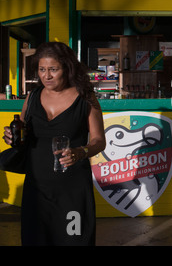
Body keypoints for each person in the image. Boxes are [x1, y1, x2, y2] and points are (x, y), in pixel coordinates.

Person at [3, 42, 106, 246]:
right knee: (36, 240)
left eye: (53, 69)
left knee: (74, 240)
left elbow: (99, 141)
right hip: (37, 187)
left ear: (67, 68)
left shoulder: (86, 98)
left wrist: (81, 151)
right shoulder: (32, 97)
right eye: (42, 69)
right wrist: (12, 136)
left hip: (72, 189)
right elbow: (22, 131)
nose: (46, 76)